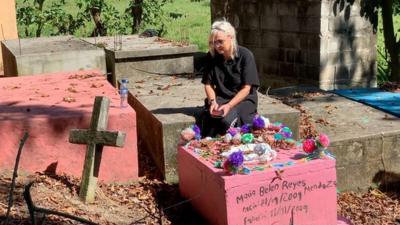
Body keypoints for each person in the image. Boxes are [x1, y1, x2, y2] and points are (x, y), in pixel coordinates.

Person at [200, 19, 260, 137]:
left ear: (231, 37)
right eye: (213, 42)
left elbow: (246, 89)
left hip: (243, 99)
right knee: (209, 117)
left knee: (226, 120)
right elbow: (208, 84)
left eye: (220, 41)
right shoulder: (212, 56)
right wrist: (212, 101)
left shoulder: (245, 56)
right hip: (221, 97)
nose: (217, 46)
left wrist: (229, 105)